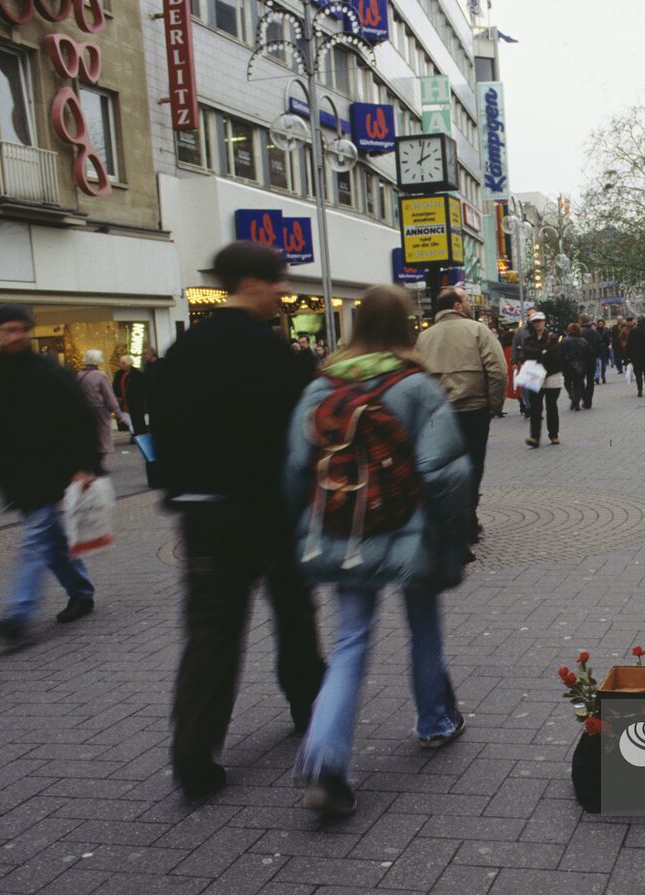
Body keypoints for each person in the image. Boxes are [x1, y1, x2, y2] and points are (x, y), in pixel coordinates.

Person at [285, 284, 471, 816]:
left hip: (344, 531)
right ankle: (435, 720)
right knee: (424, 625)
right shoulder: (416, 386)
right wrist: (452, 537)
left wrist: (299, 527)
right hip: (410, 531)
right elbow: (442, 473)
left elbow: (297, 467)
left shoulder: (321, 387)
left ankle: (325, 760)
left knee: (350, 642)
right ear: (404, 327)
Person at [154, 242, 327, 798]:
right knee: (295, 615)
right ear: (252, 282)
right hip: (267, 510)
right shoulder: (270, 353)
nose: (283, 293)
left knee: (211, 632)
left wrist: (179, 491)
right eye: (277, 282)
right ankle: (309, 711)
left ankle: (193, 757)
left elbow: (161, 434)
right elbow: (300, 436)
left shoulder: (184, 351)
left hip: (202, 512)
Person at [0, 304, 100, 644]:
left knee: (35, 539)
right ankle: (81, 591)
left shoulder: (48, 371)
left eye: (22, 329)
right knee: (50, 543)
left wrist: (86, 466)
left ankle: (17, 616)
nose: (16, 336)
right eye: (9, 330)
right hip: (17, 475)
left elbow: (81, 419)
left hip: (56, 471)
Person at [415, 285, 507, 548]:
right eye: (466, 300)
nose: (470, 304)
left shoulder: (424, 338)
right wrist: (494, 406)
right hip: (472, 410)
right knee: (473, 466)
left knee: (445, 468)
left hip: (438, 414)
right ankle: (467, 521)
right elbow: (498, 371)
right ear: (457, 306)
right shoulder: (478, 331)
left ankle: (453, 520)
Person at [520, 311, 564, 446]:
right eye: (535, 321)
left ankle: (554, 434)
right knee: (535, 408)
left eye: (540, 321)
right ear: (532, 324)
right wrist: (543, 352)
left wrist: (539, 353)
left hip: (551, 375)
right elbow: (527, 354)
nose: (538, 324)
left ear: (544, 322)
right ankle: (534, 436)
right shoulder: (528, 339)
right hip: (535, 376)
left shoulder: (553, 337)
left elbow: (555, 355)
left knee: (551, 406)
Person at [76, 350, 120, 470]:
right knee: (103, 435)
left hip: (85, 410)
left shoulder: (80, 375)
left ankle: (92, 461)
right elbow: (109, 395)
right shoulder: (101, 375)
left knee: (91, 435)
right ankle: (99, 463)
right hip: (100, 409)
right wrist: (117, 412)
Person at [113, 354, 148, 439]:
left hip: (135, 401)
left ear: (129, 364)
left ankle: (137, 435)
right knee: (127, 418)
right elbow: (115, 386)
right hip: (123, 401)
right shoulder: (119, 374)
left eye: (123, 363)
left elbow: (142, 389)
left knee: (137, 419)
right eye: (121, 363)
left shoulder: (137, 375)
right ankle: (133, 433)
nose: (121, 365)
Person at [561, 322, 593, 412]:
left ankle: (571, 395)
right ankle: (577, 403)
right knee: (578, 384)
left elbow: (561, 354)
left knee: (567, 382)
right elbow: (587, 354)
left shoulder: (565, 340)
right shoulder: (583, 341)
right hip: (581, 365)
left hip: (568, 365)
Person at [577, 315, 600, 408]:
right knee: (590, 380)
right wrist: (595, 355)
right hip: (592, 359)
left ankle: (585, 398)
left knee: (580, 380)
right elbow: (599, 344)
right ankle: (589, 401)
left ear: (581, 321)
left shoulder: (579, 332)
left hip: (581, 360)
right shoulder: (594, 332)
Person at [512, 317, 532, 415]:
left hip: (538, 362)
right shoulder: (520, 331)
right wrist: (514, 362)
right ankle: (529, 406)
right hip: (524, 361)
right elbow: (515, 347)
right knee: (525, 387)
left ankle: (534, 407)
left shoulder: (542, 330)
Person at [593, 319, 611, 384]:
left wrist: (607, 345)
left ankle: (603, 376)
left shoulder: (606, 330)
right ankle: (597, 378)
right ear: (597, 324)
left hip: (604, 349)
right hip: (597, 349)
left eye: (601, 324)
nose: (600, 325)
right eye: (599, 324)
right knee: (597, 364)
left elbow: (608, 340)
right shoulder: (595, 331)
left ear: (603, 324)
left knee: (603, 364)